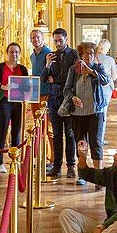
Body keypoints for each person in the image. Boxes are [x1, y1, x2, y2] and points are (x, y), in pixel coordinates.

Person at [64, 41, 110, 186]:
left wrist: (91, 71)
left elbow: (105, 81)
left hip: (95, 112)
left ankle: (99, 177)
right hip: (77, 113)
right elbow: (67, 89)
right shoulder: (73, 69)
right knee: (81, 143)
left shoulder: (98, 67)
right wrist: (73, 97)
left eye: (91, 53)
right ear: (81, 55)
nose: (89, 56)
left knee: (96, 143)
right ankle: (82, 174)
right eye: (86, 53)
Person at [41, 27, 78, 179]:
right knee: (56, 134)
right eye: (55, 41)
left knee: (69, 134)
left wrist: (55, 79)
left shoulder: (74, 54)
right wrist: (48, 65)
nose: (57, 44)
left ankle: (71, 166)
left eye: (60, 41)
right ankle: (57, 166)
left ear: (66, 39)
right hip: (54, 99)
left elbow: (72, 75)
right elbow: (44, 78)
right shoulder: (51, 56)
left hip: (68, 98)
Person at [0, 42, 25, 172]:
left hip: (18, 103)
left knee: (16, 131)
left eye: (16, 52)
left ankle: (15, 160)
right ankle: (0, 162)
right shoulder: (1, 67)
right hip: (4, 102)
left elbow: (26, 85)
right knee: (3, 131)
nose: (14, 54)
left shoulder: (22, 68)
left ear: (19, 54)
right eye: (11, 52)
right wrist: (2, 86)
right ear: (7, 53)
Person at [28, 29, 52, 99]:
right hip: (35, 91)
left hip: (46, 91)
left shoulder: (49, 53)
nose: (35, 39)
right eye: (33, 38)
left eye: (38, 37)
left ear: (43, 38)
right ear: (31, 40)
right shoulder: (32, 56)